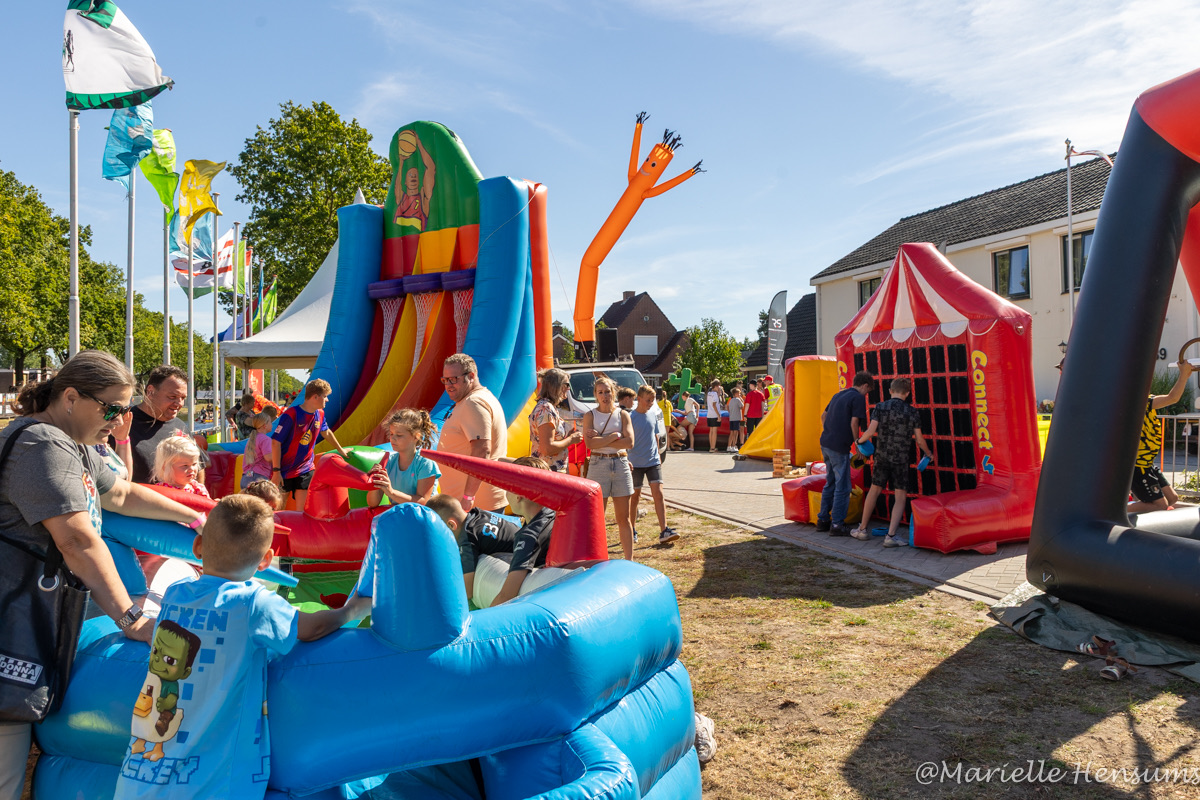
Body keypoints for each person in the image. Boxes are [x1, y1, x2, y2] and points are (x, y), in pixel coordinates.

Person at [0, 351, 205, 800]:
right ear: (71, 397)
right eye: (111, 408)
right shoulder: (42, 445)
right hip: (12, 626)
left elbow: (122, 493)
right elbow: (78, 541)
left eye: (125, 410)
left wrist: (194, 518)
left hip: (27, 623)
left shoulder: (74, 444)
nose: (118, 421)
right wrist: (131, 617)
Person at [112, 495, 349, 798]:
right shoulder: (254, 603)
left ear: (197, 548)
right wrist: (350, 610)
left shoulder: (174, 595)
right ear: (266, 560)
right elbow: (311, 628)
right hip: (211, 785)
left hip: (138, 780)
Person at [428, 459, 557, 607]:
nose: (505, 495)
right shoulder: (551, 513)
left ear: (518, 495)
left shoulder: (527, 537)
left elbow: (505, 595)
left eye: (507, 489)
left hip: (549, 591)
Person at [850, 378, 934, 547]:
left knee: (874, 491)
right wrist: (928, 453)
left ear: (890, 391)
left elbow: (871, 431)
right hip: (901, 459)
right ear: (907, 393)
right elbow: (919, 439)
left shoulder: (880, 407)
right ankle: (891, 536)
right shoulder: (912, 411)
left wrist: (858, 442)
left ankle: (862, 530)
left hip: (882, 457)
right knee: (900, 496)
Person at [436, 354, 508, 513]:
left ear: (471, 376)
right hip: (475, 503)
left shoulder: (473, 402)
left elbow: (482, 451)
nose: (448, 385)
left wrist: (468, 497)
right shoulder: (478, 398)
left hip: (475, 507)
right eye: (445, 380)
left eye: (453, 379)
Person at [271, 379, 349, 510]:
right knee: (278, 509)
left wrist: (341, 450)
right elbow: (275, 442)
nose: (327, 400)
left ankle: (297, 531)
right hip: (284, 470)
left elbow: (326, 432)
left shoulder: (320, 414)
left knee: (302, 511)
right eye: (325, 396)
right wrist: (276, 471)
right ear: (315, 397)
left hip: (305, 469)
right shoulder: (291, 414)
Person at [1129, 361, 1194, 513]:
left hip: (1147, 463)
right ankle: (1111, 510)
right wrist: (1183, 375)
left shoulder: (1143, 401)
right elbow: (1173, 398)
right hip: (1138, 465)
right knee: (1160, 505)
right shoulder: (1140, 402)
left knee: (1173, 499)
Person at [584, 376, 637, 561]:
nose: (605, 396)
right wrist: (615, 436)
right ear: (595, 395)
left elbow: (629, 442)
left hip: (620, 463)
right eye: (600, 392)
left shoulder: (623, 414)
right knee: (598, 518)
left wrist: (602, 438)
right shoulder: (590, 415)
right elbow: (590, 444)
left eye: (607, 392)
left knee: (624, 518)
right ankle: (598, 558)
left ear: (613, 393)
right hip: (598, 464)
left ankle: (629, 559)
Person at [816, 371, 874, 536]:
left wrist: (830, 431)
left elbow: (823, 415)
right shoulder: (857, 398)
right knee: (843, 486)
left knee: (830, 482)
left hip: (825, 442)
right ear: (864, 385)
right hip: (839, 447)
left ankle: (823, 520)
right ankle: (837, 524)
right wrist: (857, 443)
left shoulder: (838, 395)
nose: (867, 394)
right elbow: (854, 422)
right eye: (868, 391)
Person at [629, 386, 679, 545]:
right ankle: (631, 530)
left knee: (659, 494)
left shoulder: (652, 414)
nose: (651, 403)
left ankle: (664, 530)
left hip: (652, 461)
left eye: (653, 400)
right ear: (639, 398)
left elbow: (655, 436)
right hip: (635, 463)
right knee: (635, 497)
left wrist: (657, 455)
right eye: (648, 400)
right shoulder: (630, 417)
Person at [127, 365, 189, 483]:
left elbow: (199, 466)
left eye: (183, 397)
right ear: (150, 391)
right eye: (172, 397)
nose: (179, 403)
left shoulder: (181, 426)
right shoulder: (123, 424)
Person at [366, 409, 440, 508]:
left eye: (399, 435)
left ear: (416, 437)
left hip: (425, 518)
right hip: (402, 517)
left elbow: (423, 502)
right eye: (391, 434)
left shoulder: (425, 463)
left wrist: (392, 492)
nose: (392, 438)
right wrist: (375, 482)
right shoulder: (389, 461)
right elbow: (372, 503)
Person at [529, 367, 583, 473]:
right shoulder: (546, 409)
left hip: (550, 469)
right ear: (557, 386)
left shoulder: (548, 407)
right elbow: (547, 448)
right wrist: (571, 439)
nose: (568, 388)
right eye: (567, 384)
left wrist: (567, 437)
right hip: (549, 471)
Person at [152, 434, 211, 498]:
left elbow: (207, 506)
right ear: (165, 467)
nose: (191, 469)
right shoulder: (161, 491)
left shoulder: (197, 488)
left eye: (194, 464)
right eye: (185, 465)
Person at [241, 413, 274, 490]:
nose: (271, 424)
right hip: (259, 478)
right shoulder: (265, 439)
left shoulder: (252, 439)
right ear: (264, 425)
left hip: (246, 476)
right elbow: (268, 457)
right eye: (270, 422)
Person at [705, 380, 724, 452]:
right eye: (718, 386)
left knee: (711, 431)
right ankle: (713, 447)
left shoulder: (709, 393)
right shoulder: (715, 394)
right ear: (716, 386)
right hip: (714, 414)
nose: (719, 388)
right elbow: (714, 405)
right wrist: (719, 416)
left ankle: (711, 447)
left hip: (709, 414)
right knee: (714, 431)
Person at [727, 386, 745, 452]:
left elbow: (728, 407)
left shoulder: (731, 400)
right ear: (736, 394)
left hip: (731, 418)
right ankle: (734, 445)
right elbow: (742, 406)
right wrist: (741, 399)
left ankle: (729, 446)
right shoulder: (738, 400)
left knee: (731, 432)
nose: (740, 395)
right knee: (736, 432)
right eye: (739, 393)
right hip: (736, 418)